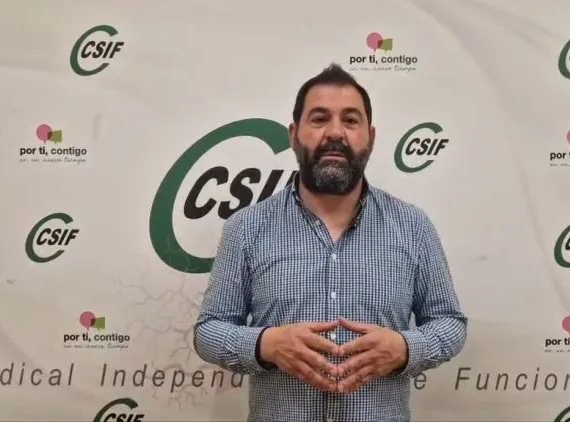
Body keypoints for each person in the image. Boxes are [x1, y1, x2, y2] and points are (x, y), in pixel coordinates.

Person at [193, 63, 467, 422]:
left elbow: (449, 322)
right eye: (319, 119)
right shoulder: (247, 227)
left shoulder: (412, 226)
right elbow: (209, 332)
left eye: (350, 120)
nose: (335, 132)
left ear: (370, 136)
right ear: (294, 134)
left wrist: (404, 348)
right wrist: (266, 345)